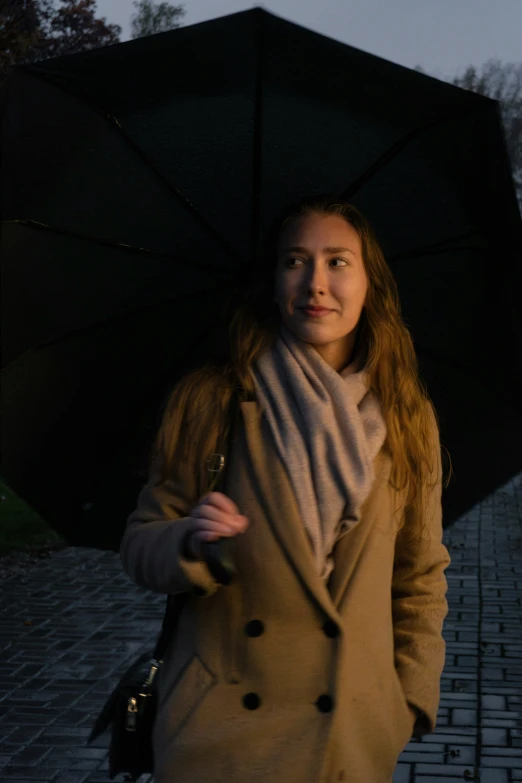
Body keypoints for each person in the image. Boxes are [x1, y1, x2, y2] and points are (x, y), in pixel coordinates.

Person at [120, 194, 452, 783]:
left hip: (349, 741)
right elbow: (141, 543)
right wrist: (190, 543)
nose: (316, 283)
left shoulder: (405, 413)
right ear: (273, 282)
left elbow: (419, 575)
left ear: (370, 283)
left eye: (338, 262)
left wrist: (403, 703)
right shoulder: (212, 399)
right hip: (221, 735)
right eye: (295, 261)